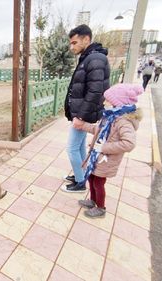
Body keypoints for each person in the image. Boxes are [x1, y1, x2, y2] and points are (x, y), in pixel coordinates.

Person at [75, 84, 143, 218]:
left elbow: (129, 143)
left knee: (98, 183)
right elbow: (98, 130)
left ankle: (101, 208)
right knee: (92, 178)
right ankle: (93, 201)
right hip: (98, 157)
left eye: (109, 100)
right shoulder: (111, 116)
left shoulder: (124, 122)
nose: (105, 102)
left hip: (106, 160)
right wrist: (83, 126)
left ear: (119, 103)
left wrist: (103, 148)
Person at [62, 24, 110, 193]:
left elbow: (95, 91)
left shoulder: (94, 58)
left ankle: (81, 182)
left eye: (74, 43)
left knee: (72, 148)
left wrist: (80, 116)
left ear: (86, 39)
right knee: (80, 146)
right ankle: (81, 174)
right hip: (84, 112)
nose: (71, 47)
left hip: (85, 114)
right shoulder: (89, 57)